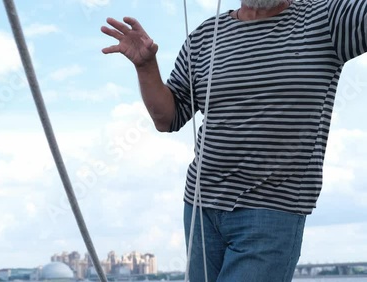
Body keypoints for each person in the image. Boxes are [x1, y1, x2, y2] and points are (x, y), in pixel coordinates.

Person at [101, 0, 366, 281]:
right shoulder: (204, 38)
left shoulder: (327, 20)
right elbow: (167, 117)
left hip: (272, 210)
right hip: (200, 209)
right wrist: (146, 66)